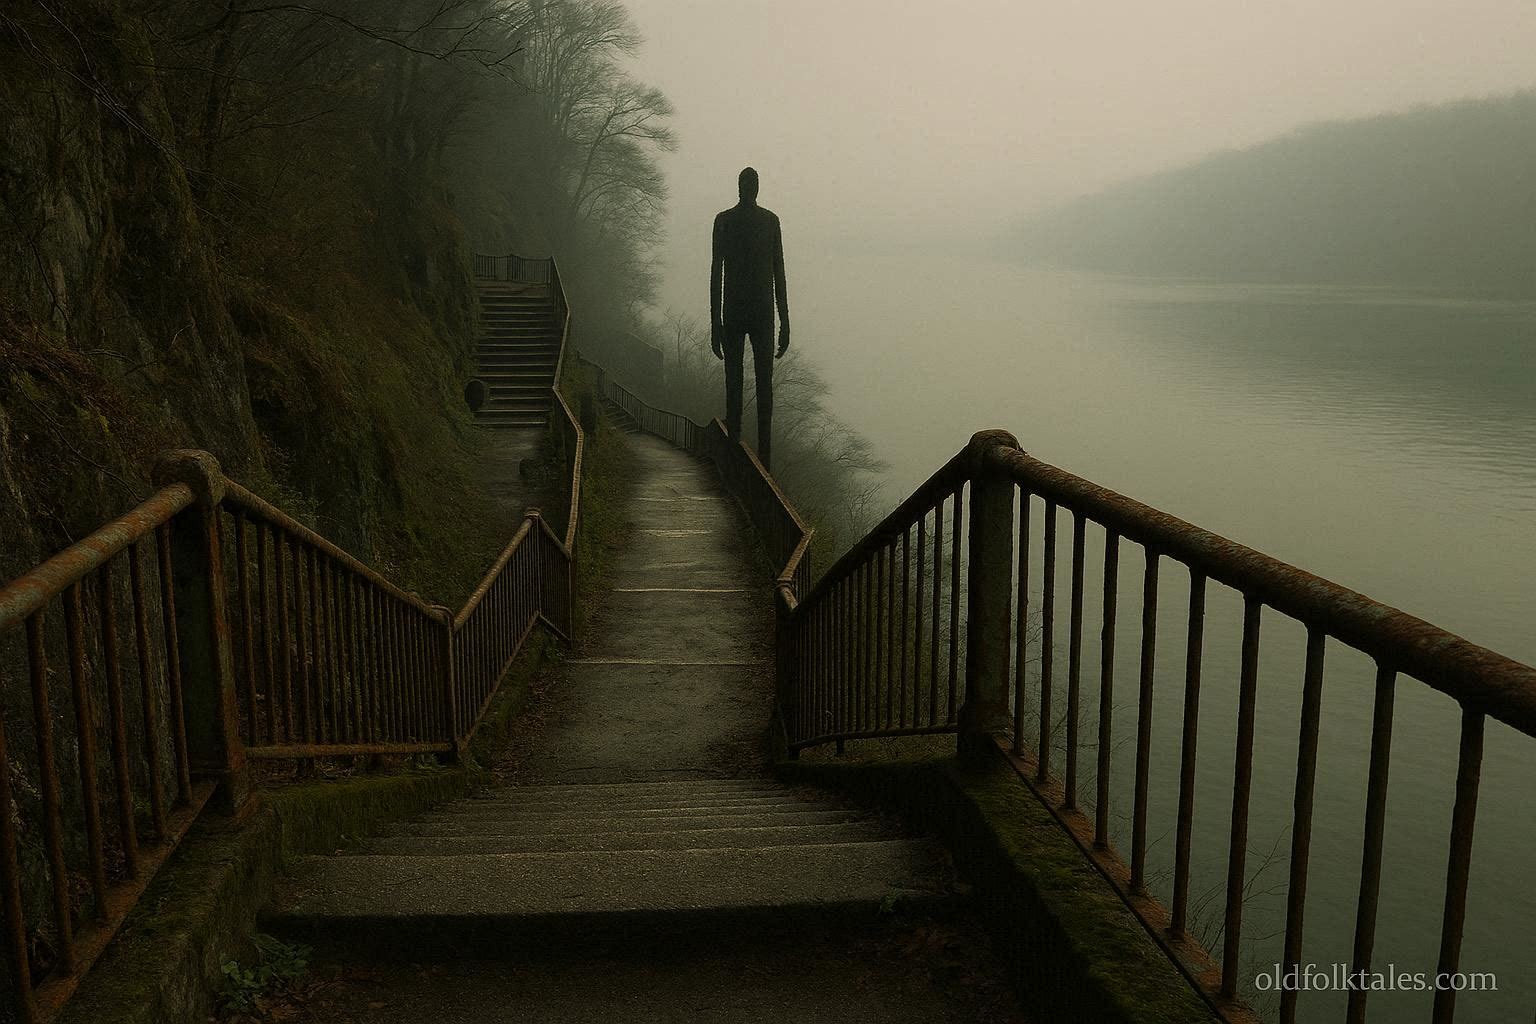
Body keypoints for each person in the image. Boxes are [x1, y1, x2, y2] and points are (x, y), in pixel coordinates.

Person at [710, 166, 790, 470]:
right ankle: (752, 461)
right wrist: (784, 321)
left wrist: (785, 321)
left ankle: (750, 462)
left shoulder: (729, 222)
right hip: (755, 313)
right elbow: (717, 273)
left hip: (740, 312)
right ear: (743, 187)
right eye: (747, 184)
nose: (749, 189)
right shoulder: (760, 222)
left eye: (751, 184)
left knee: (749, 385)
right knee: (750, 385)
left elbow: (778, 273)